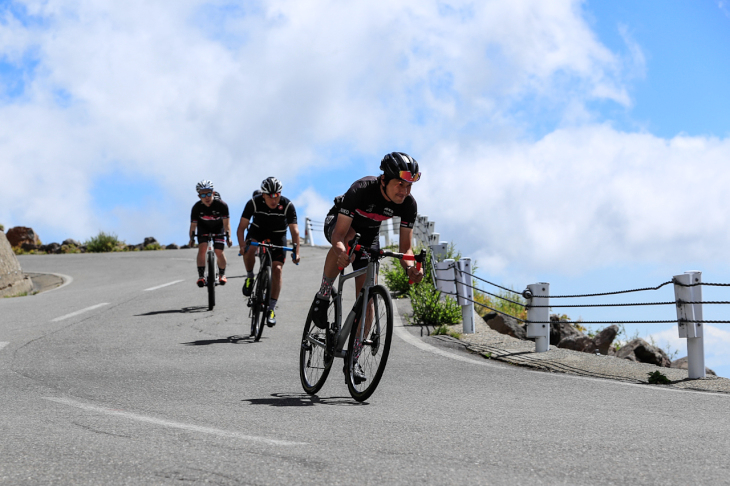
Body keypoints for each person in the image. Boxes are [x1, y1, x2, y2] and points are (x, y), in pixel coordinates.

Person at [309, 151, 424, 324]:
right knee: (349, 241)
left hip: (369, 235)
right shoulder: (362, 189)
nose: (405, 191)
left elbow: (405, 249)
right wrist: (341, 252)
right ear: (384, 180)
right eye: (400, 184)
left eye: (409, 186)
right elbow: (339, 234)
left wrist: (410, 268)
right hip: (341, 225)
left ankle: (355, 349)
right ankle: (324, 293)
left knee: (367, 297)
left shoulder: (408, 204)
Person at [237, 177, 301, 327]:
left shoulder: (287, 205)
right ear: (263, 195)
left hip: (278, 235)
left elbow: (295, 231)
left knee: (277, 269)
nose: (274, 199)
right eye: (270, 196)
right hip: (257, 231)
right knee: (250, 249)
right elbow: (241, 227)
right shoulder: (254, 202)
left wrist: (296, 252)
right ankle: (250, 276)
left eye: (277, 195)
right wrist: (241, 245)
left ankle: (271, 309)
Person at [189, 180, 232, 287]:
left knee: (219, 251)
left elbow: (226, 224)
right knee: (202, 248)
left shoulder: (222, 205)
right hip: (203, 228)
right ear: (199, 196)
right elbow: (193, 226)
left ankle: (222, 274)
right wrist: (191, 239)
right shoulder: (196, 207)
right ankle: (201, 276)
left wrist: (228, 237)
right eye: (203, 194)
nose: (206, 197)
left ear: (213, 193)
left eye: (209, 193)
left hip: (218, 228)